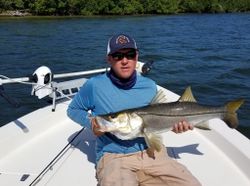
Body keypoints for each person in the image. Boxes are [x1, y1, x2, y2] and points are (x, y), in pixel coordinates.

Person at [67, 33, 201, 186]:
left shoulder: (149, 86)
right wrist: (92, 124)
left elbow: (156, 121)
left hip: (152, 152)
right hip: (114, 156)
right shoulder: (94, 85)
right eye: (118, 55)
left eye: (130, 54)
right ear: (109, 59)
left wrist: (174, 126)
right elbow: (74, 109)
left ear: (137, 57)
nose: (125, 61)